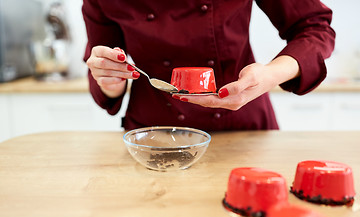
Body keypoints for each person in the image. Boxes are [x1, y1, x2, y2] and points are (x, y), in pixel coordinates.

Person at [82, 0, 335, 131]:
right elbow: (101, 59)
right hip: (153, 134)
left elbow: (314, 28)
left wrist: (270, 74)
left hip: (241, 126)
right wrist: (110, 80)